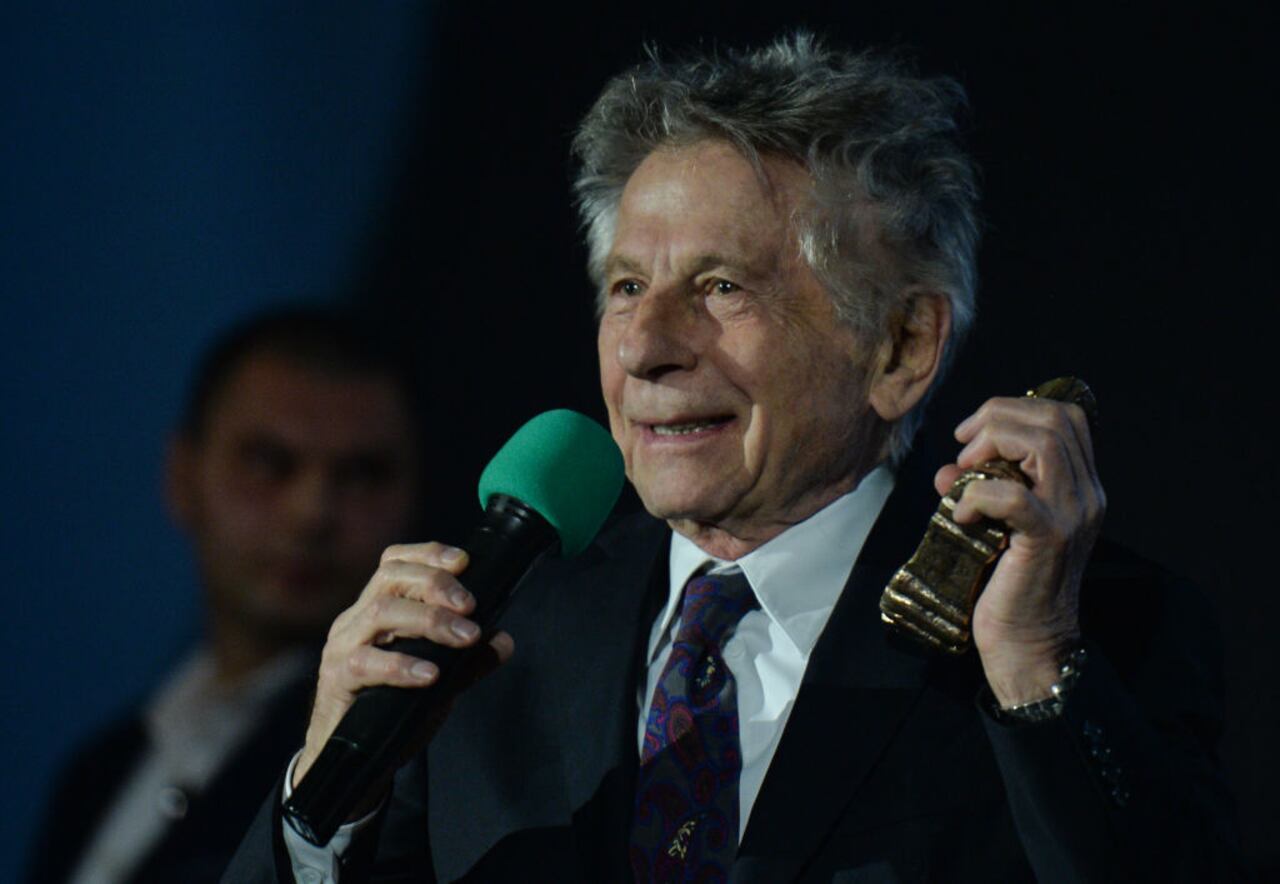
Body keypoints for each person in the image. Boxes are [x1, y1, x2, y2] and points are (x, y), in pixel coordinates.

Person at [228, 35, 1243, 882]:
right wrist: (322, 806)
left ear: (898, 348)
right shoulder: (493, 644)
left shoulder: (1087, 635)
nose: (643, 347)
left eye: (718, 286)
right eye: (626, 287)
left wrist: (1033, 668)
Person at [26, 305, 426, 884]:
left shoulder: (412, 768)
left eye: (362, 474)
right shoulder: (98, 769)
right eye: (269, 462)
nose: (311, 513)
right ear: (184, 476)